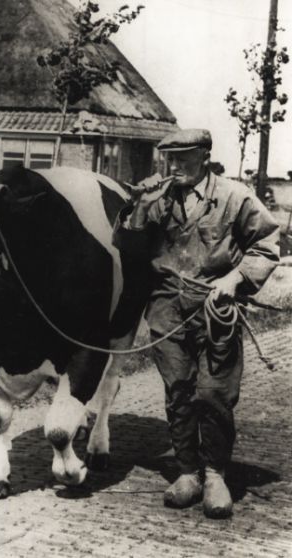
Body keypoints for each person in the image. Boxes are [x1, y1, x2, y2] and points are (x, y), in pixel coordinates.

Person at [114, 129, 279, 518]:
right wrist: (139, 209)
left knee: (213, 393)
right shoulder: (159, 198)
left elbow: (267, 244)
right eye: (170, 158)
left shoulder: (234, 196)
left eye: (183, 157)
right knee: (178, 391)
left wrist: (234, 279)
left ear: (205, 156)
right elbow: (129, 250)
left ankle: (216, 474)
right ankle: (188, 472)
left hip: (214, 307)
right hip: (167, 306)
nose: (174, 166)